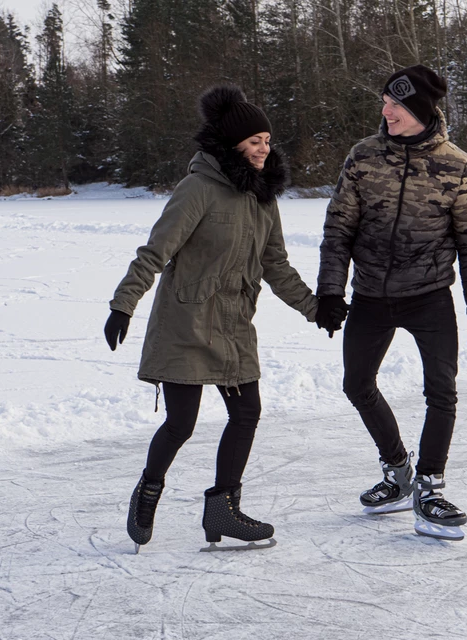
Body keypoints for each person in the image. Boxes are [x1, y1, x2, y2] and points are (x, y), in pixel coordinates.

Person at [104, 85, 329, 551]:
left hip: (234, 324)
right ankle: (148, 489)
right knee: (181, 423)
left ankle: (222, 508)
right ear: (232, 145)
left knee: (247, 412)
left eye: (267, 139)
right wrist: (123, 304)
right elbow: (155, 251)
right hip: (185, 322)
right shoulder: (198, 189)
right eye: (254, 141)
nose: (264, 148)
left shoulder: (264, 199)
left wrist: (315, 308)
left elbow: (276, 265)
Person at [315, 64, 467, 539]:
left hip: (430, 296)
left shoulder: (457, 165)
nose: (385, 110)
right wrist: (331, 290)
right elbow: (338, 230)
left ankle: (431, 488)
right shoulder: (363, 157)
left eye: (395, 103)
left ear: (419, 109)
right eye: (385, 101)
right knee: (357, 383)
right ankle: (398, 471)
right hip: (370, 294)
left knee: (442, 391)